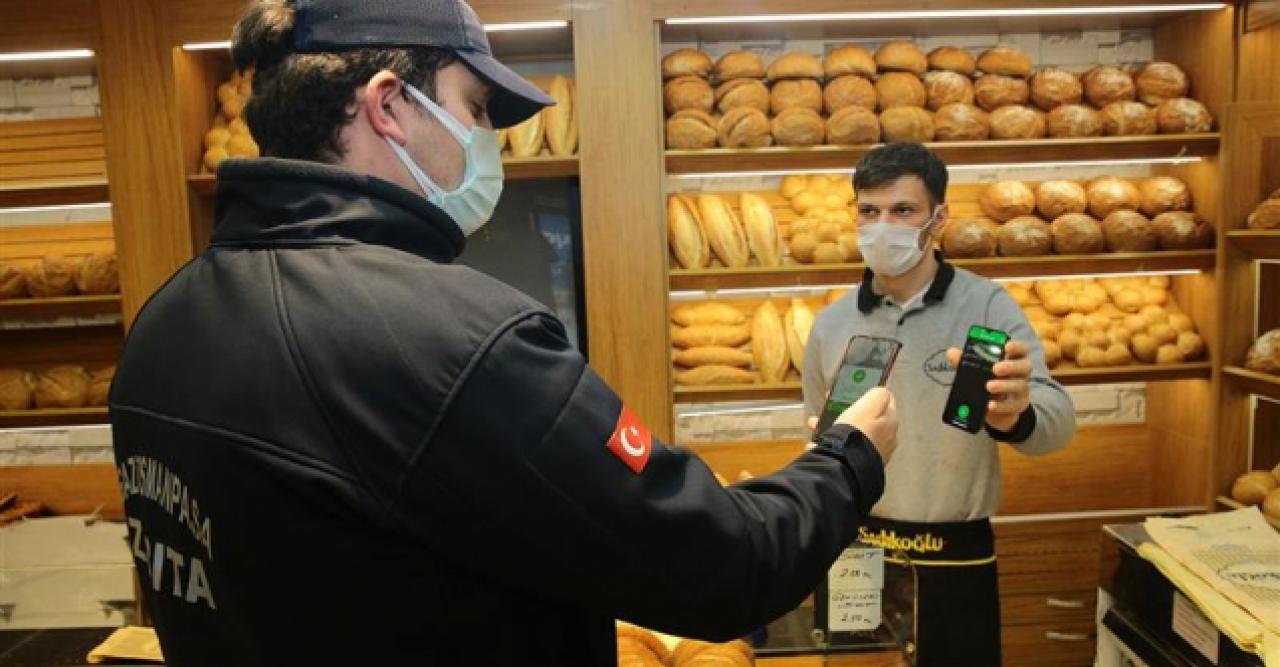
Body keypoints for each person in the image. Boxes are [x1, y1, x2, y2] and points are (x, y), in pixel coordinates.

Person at [108, 1, 899, 664]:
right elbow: (724, 564)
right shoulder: (455, 341)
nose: (489, 137)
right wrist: (848, 457)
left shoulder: (163, 324)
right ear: (388, 106)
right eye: (477, 107)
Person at [802, 143, 1077, 666]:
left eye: (903, 210)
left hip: (956, 556)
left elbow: (1058, 424)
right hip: (857, 552)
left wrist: (1017, 417)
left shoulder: (986, 308)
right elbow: (818, 446)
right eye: (869, 211)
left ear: (939, 218)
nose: (883, 227)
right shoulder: (832, 324)